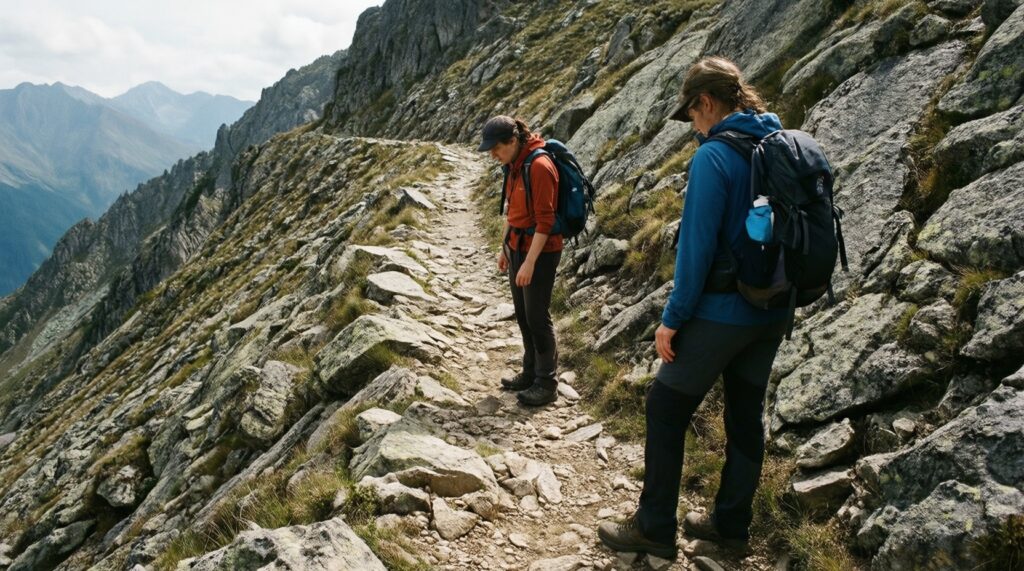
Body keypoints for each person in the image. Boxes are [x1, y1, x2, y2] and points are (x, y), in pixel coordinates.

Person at [598, 56, 789, 560]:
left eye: (692, 117)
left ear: (706, 102)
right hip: (773, 309)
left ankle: (655, 527)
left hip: (724, 310)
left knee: (665, 407)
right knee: (745, 413)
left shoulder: (714, 157)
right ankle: (731, 527)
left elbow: (697, 250)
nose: (693, 128)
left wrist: (673, 319)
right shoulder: (777, 142)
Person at [477, 115, 562, 407]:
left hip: (540, 251)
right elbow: (512, 212)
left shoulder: (539, 167)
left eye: (496, 148)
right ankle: (529, 372)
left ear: (512, 141)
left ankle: (547, 382)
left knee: (537, 316)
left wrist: (529, 263)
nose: (492, 154)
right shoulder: (513, 165)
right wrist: (505, 249)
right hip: (516, 248)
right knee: (523, 314)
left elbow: (545, 222)